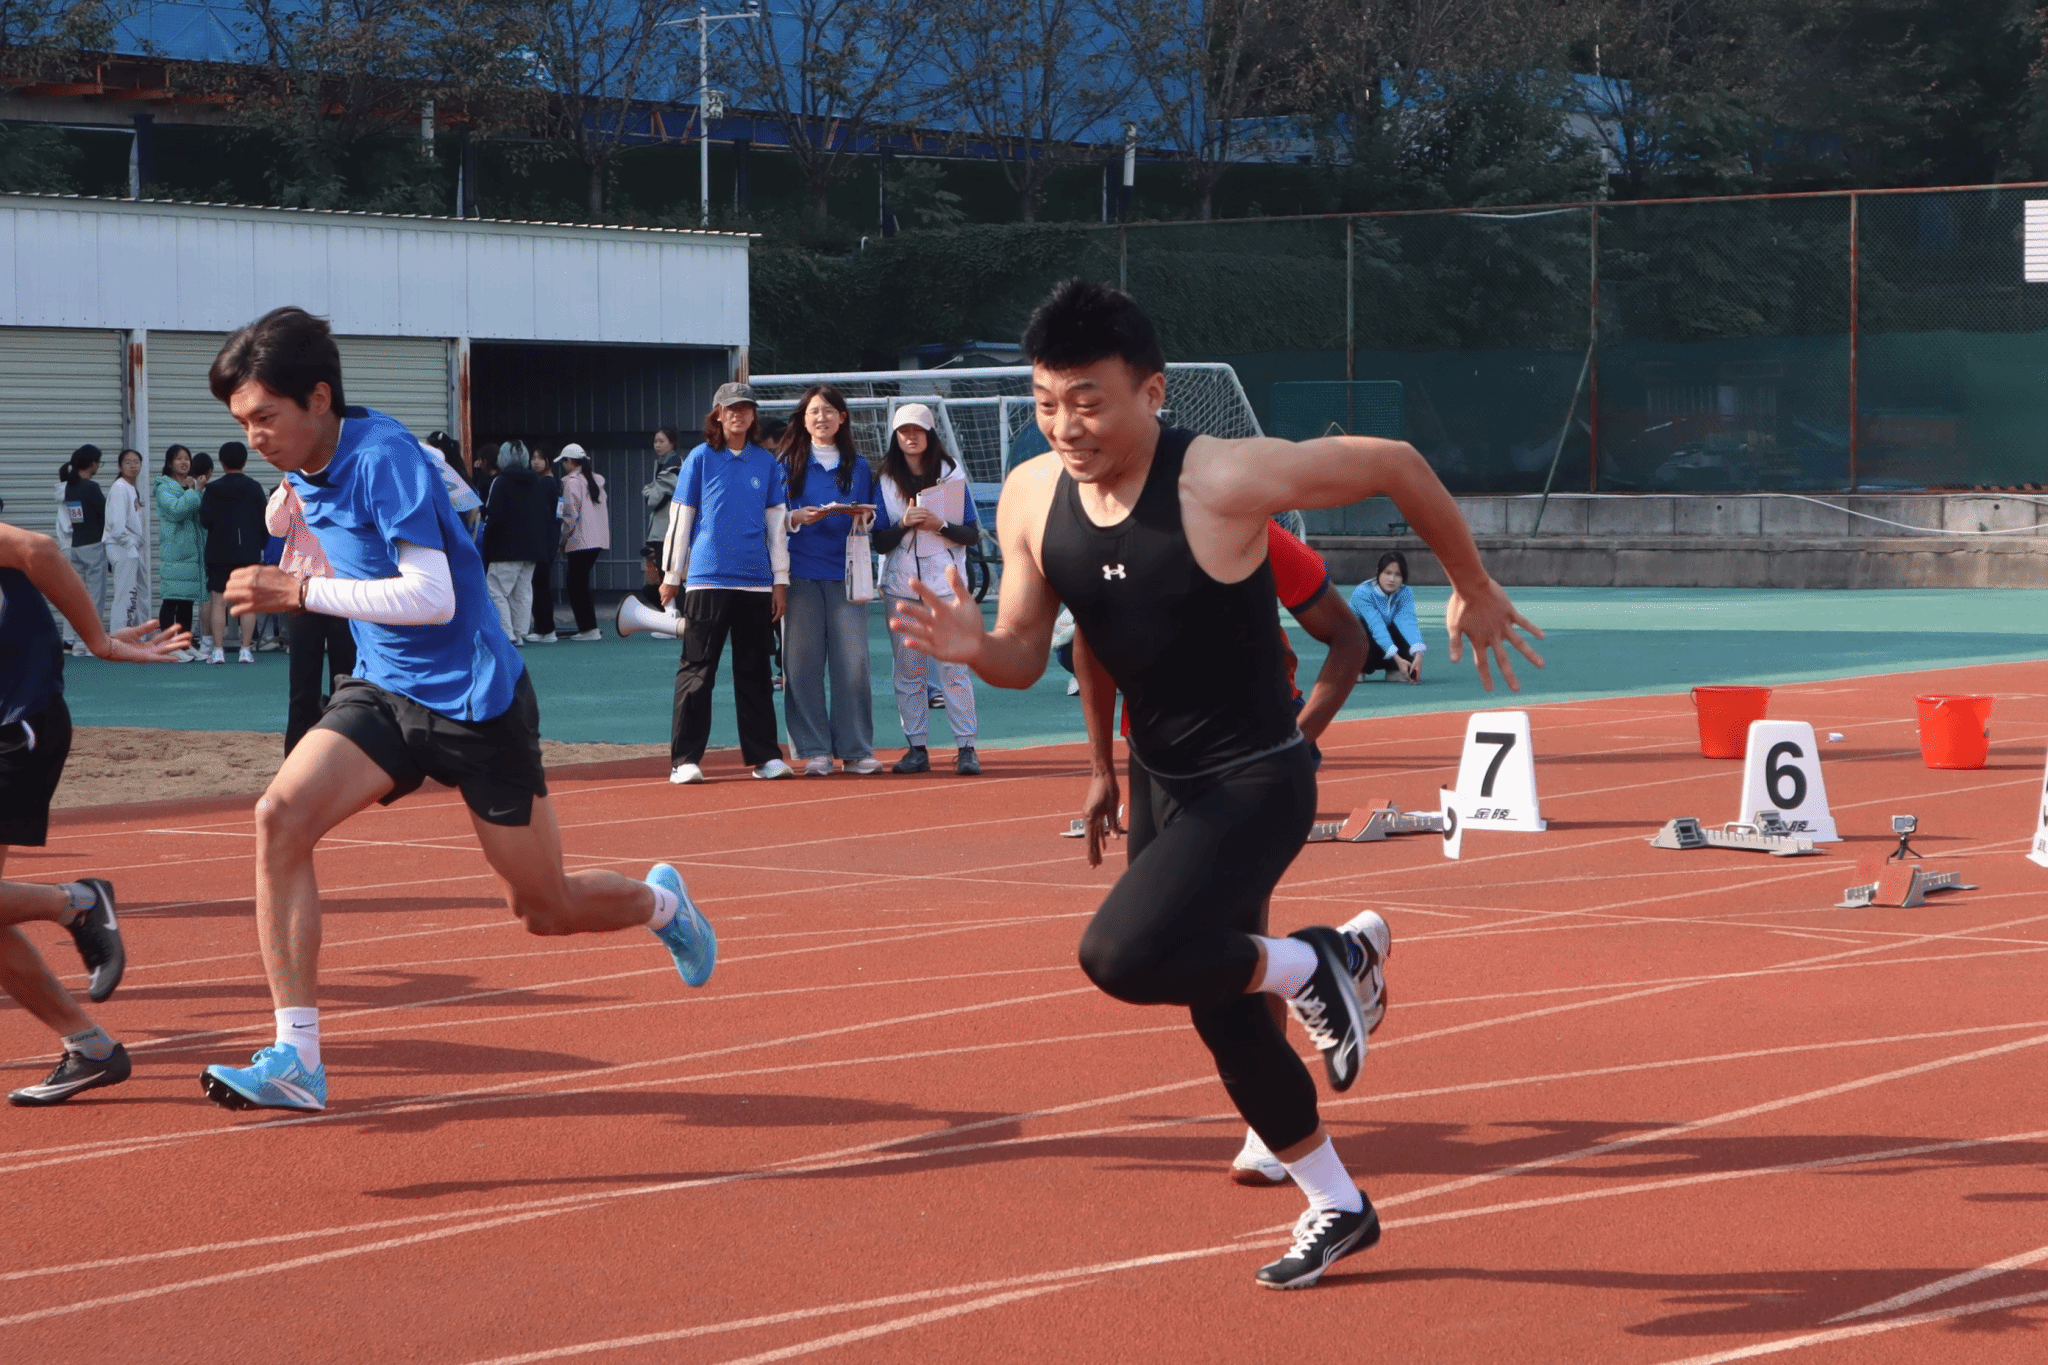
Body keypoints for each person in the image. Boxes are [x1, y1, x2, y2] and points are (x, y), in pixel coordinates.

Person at [892, 279, 1544, 1289]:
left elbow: (1394, 462)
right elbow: (1025, 650)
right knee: (1219, 1007)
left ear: (1151, 392)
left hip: (1255, 780)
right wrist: (976, 648)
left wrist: (1472, 584)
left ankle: (1317, 961)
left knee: (1120, 953)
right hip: (1162, 781)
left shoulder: (1221, 478)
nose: (1066, 426)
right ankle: (1337, 1200)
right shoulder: (1027, 494)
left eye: (1089, 402)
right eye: (1047, 403)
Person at [196, 305, 718, 1113]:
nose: (254, 436)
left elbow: (432, 596)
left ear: (319, 398)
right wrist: (293, 520)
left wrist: (300, 589)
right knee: (279, 817)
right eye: (242, 423)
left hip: (475, 699)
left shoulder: (384, 458)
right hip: (384, 688)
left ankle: (663, 904)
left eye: (264, 416)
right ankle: (297, 1057)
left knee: (543, 908)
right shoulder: (307, 460)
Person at [0, 518, 190, 1105]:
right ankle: (90, 1047)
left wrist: (100, 641)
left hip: (17, 728)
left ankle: (77, 903)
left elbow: (36, 549)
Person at [658, 382, 794, 784]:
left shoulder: (766, 463)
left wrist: (780, 580)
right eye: (731, 408)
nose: (739, 414)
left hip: (756, 583)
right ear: (718, 414)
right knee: (698, 669)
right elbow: (681, 518)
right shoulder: (700, 458)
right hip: (706, 579)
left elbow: (777, 525)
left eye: (746, 408)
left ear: (753, 415)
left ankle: (765, 757)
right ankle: (684, 761)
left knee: (755, 673)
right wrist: (671, 576)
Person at [777, 385, 885, 776]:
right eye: (813, 411)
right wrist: (795, 518)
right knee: (801, 666)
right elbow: (772, 518)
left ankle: (855, 750)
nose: (821, 418)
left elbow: (876, 518)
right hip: (800, 574)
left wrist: (865, 517)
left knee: (853, 664)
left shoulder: (859, 466)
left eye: (828, 411)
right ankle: (815, 750)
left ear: (842, 418)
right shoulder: (786, 463)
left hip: (847, 575)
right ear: (803, 420)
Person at [872, 404, 981, 776]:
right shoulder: (885, 477)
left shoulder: (950, 472)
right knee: (908, 671)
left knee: (954, 668)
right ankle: (916, 748)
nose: (910, 437)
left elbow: (971, 534)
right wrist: (904, 523)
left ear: (930, 433)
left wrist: (940, 525)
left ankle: (966, 748)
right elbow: (880, 542)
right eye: (903, 431)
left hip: (946, 586)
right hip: (901, 587)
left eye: (917, 430)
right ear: (895, 436)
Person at [270, 480, 357, 754]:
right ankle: (296, 757)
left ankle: (346, 753)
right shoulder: (292, 487)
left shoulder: (347, 480)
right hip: (303, 591)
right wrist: (286, 488)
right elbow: (275, 527)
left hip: (343, 589)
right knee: (302, 685)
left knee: (346, 679)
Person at [200, 439, 269, 664]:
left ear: (221, 462)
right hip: (248, 552)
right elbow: (265, 520)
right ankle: (245, 650)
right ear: (245, 462)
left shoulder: (213, 489)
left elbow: (205, 520)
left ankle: (218, 650)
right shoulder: (254, 487)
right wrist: (261, 545)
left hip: (219, 551)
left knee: (218, 601)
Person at [481, 442, 553, 645]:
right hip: (532, 549)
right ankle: (519, 633)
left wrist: (488, 542)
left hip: (505, 548)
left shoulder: (500, 482)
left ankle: (507, 632)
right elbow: (545, 515)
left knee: (495, 589)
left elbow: (492, 515)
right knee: (522, 592)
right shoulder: (536, 482)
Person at [555, 443, 610, 641]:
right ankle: (588, 627)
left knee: (575, 584)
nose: (563, 465)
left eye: (564, 461)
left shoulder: (572, 483)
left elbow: (570, 515)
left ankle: (588, 628)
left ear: (570, 462)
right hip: (597, 539)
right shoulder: (595, 480)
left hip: (580, 539)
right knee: (580, 583)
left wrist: (562, 539)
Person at [56, 446, 106, 656]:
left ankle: (75, 641)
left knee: (76, 596)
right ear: (92, 463)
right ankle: (91, 641)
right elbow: (105, 515)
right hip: (93, 545)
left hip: (73, 545)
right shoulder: (91, 488)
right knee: (95, 597)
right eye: (99, 463)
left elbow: (75, 519)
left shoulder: (68, 488)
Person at [154, 445, 205, 651]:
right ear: (169, 463)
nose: (184, 462)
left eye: (186, 458)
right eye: (178, 458)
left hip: (192, 550)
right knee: (171, 599)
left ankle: (184, 644)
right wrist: (195, 492)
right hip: (175, 549)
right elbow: (176, 510)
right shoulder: (164, 487)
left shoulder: (191, 485)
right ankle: (168, 644)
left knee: (187, 600)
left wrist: (196, 491)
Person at [1350, 551, 1426, 683]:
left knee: (1401, 629)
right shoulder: (1363, 593)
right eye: (1388, 573)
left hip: (1382, 643)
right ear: (1378, 572)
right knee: (1362, 626)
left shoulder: (1405, 593)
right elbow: (1376, 626)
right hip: (1359, 641)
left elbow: (1408, 622)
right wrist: (1398, 658)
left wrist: (1418, 654)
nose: (1392, 579)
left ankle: (1394, 670)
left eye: (1398, 574)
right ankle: (1355, 668)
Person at [105, 448, 150, 631]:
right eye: (128, 462)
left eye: (136, 462)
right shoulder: (119, 487)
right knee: (126, 594)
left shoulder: (131, 488)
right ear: (120, 466)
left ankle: (139, 633)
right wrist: (129, 543)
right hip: (122, 546)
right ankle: (119, 635)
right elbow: (117, 525)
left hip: (132, 547)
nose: (133, 466)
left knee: (139, 592)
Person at [525, 444, 562, 643]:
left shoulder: (546, 484)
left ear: (548, 460)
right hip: (549, 540)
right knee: (540, 584)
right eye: (533, 458)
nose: (536, 462)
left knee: (540, 585)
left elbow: (548, 515)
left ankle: (545, 629)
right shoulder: (552, 482)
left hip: (544, 541)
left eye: (540, 458)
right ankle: (544, 628)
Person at [642, 425, 684, 549]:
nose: (657, 445)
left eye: (661, 441)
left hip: (667, 527)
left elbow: (654, 499)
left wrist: (650, 492)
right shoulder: (664, 463)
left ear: (672, 443)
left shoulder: (672, 465)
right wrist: (652, 490)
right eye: (655, 441)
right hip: (665, 527)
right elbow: (654, 489)